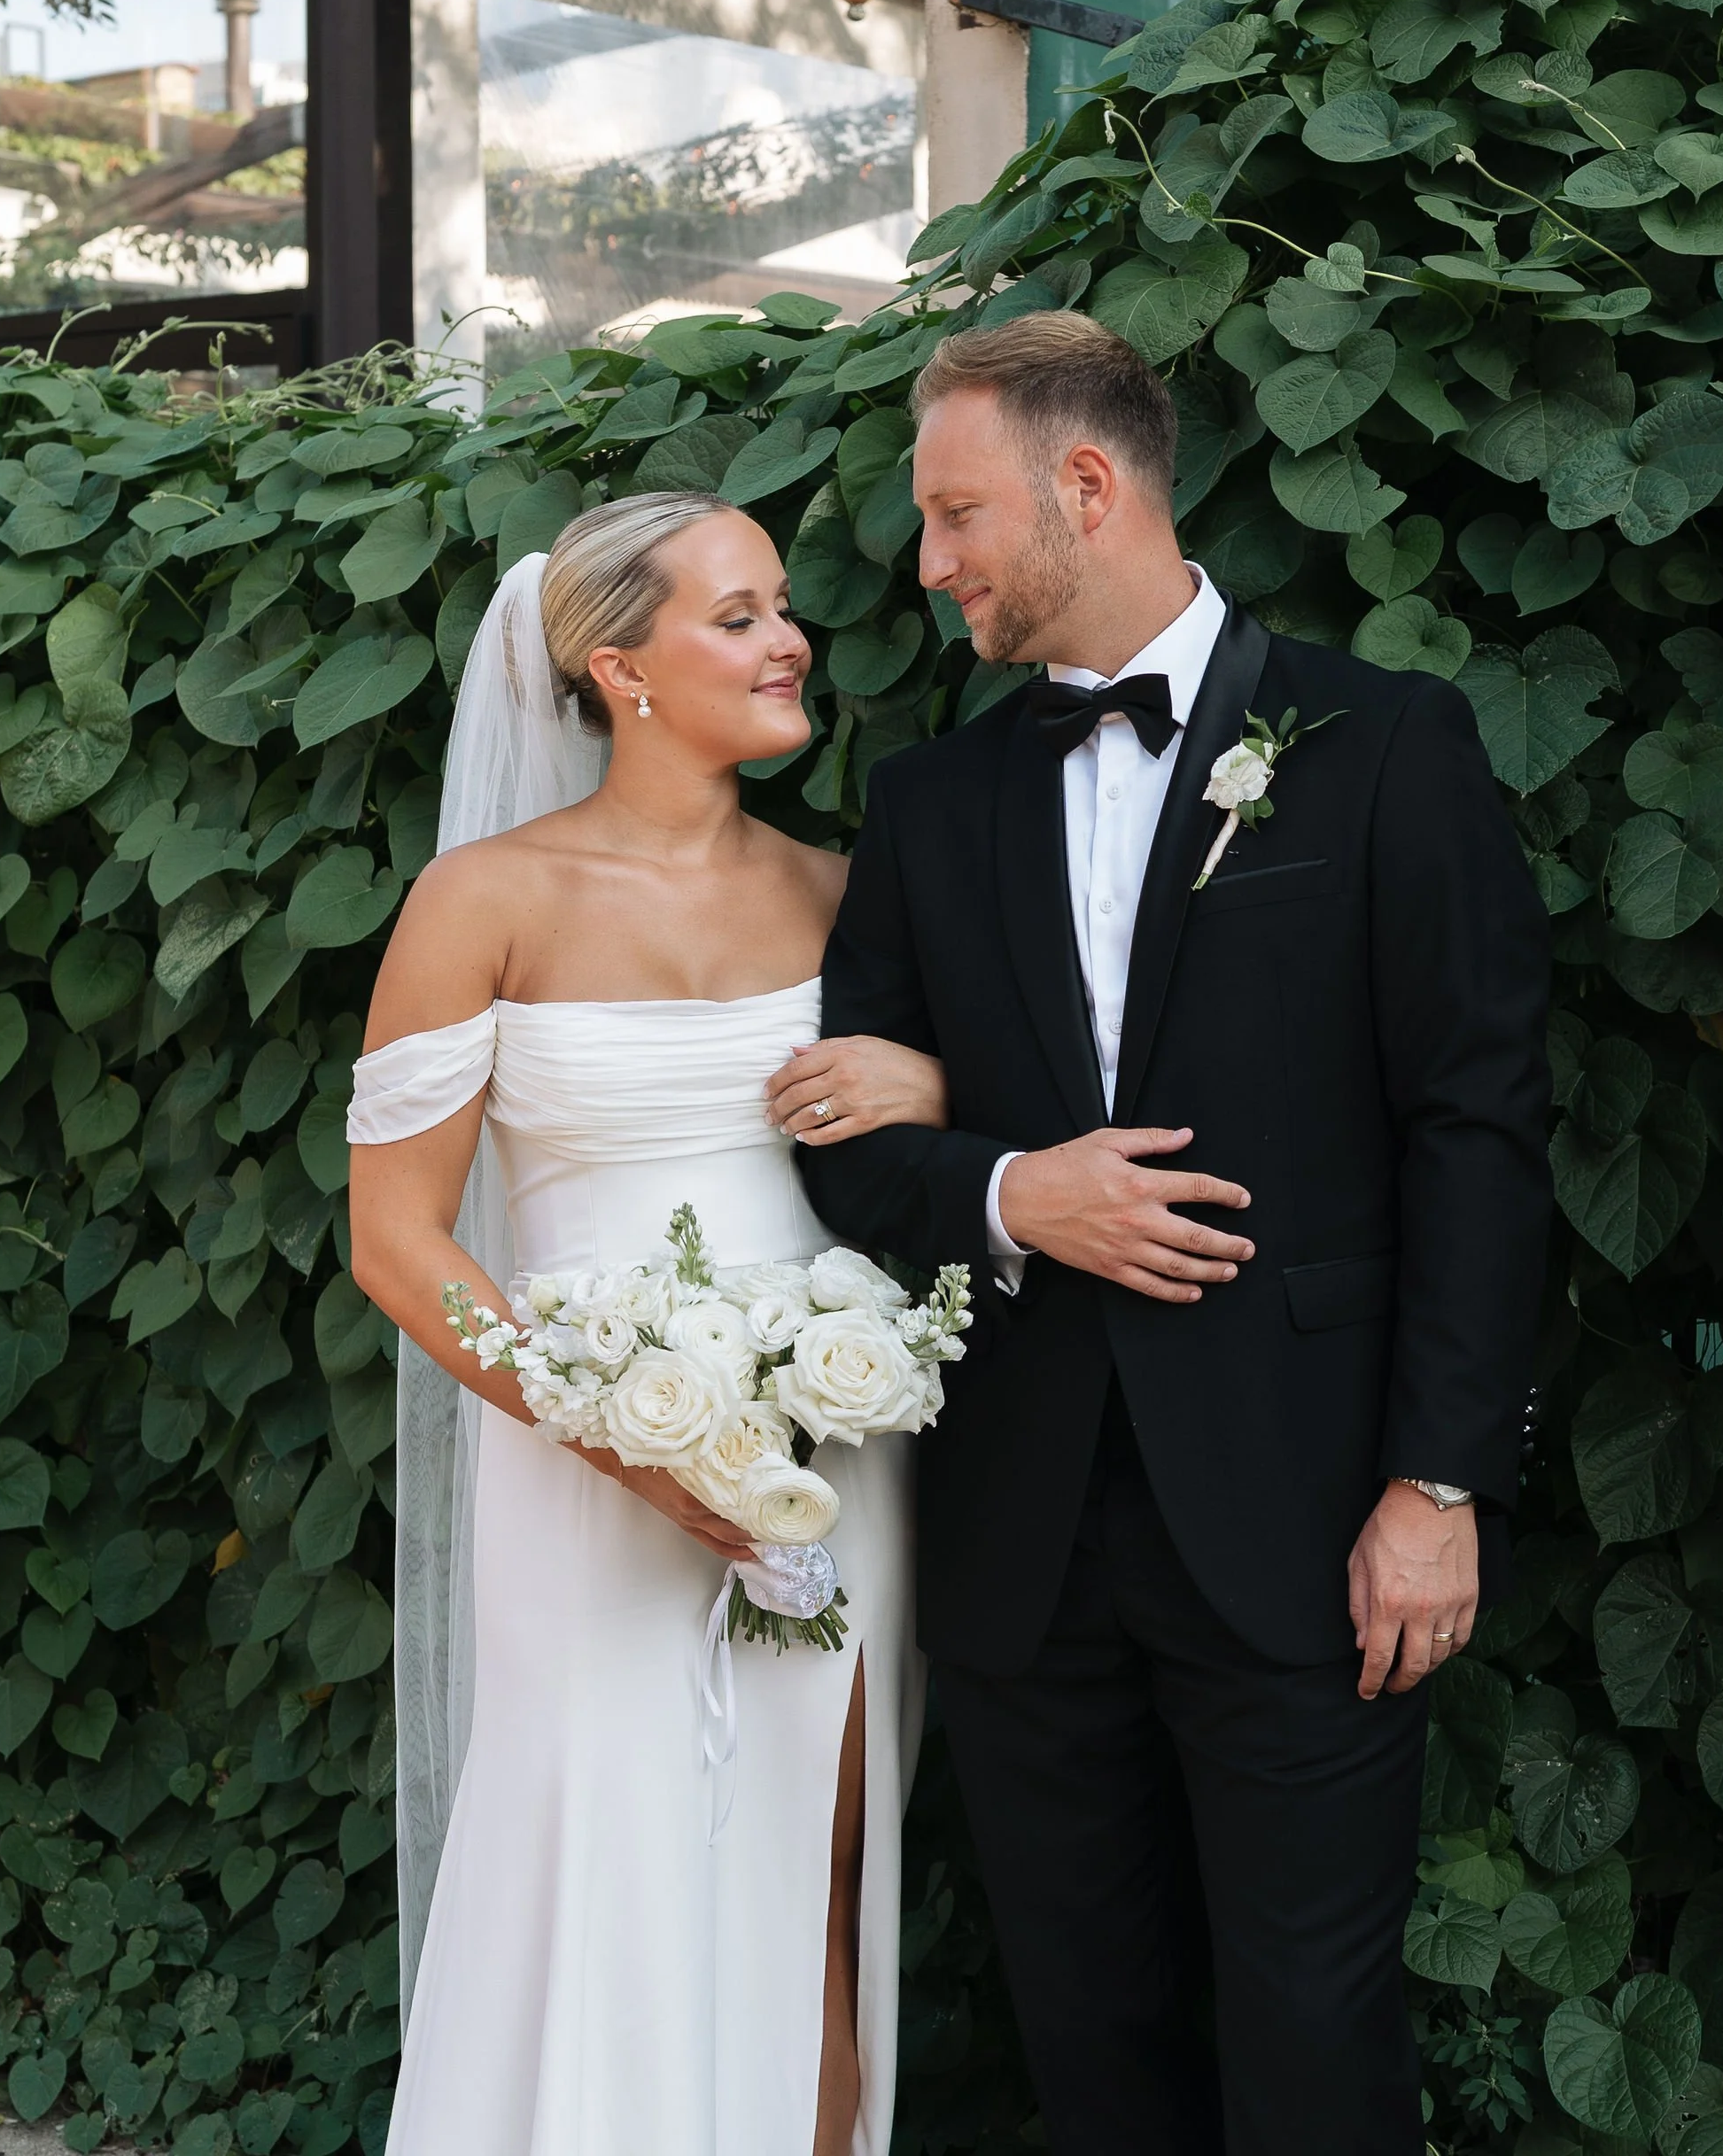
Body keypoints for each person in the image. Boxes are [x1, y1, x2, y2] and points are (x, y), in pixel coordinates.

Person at [780, 311, 1554, 2156]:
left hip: (1307, 1525)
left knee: (1313, 2038)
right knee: (1085, 2034)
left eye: (957, 513)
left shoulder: (1382, 743)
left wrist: (1434, 1485)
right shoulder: (930, 802)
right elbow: (841, 1139)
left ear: (1088, 485)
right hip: (1025, 1544)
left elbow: (1478, 1129)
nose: (930, 560)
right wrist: (1001, 1190)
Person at [345, 491, 949, 2156]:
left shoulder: (845, 892)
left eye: (779, 609)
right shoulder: (485, 900)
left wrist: (926, 1078)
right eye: (738, 615)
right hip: (581, 1468)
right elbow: (396, 1240)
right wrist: (624, 1433)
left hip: (835, 1449)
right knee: (601, 1851)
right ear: (622, 668)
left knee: (811, 1866)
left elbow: (943, 1144)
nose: (788, 640)